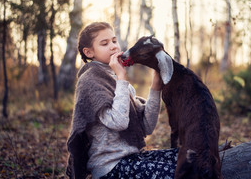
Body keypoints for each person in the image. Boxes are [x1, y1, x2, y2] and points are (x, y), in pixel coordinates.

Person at [66, 22, 178, 179]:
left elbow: (147, 127)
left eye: (114, 40)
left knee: (187, 158)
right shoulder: (89, 81)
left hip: (132, 159)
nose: (113, 46)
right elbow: (119, 122)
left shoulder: (115, 78)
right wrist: (121, 78)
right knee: (179, 173)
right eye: (104, 43)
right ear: (89, 52)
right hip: (111, 167)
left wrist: (155, 88)